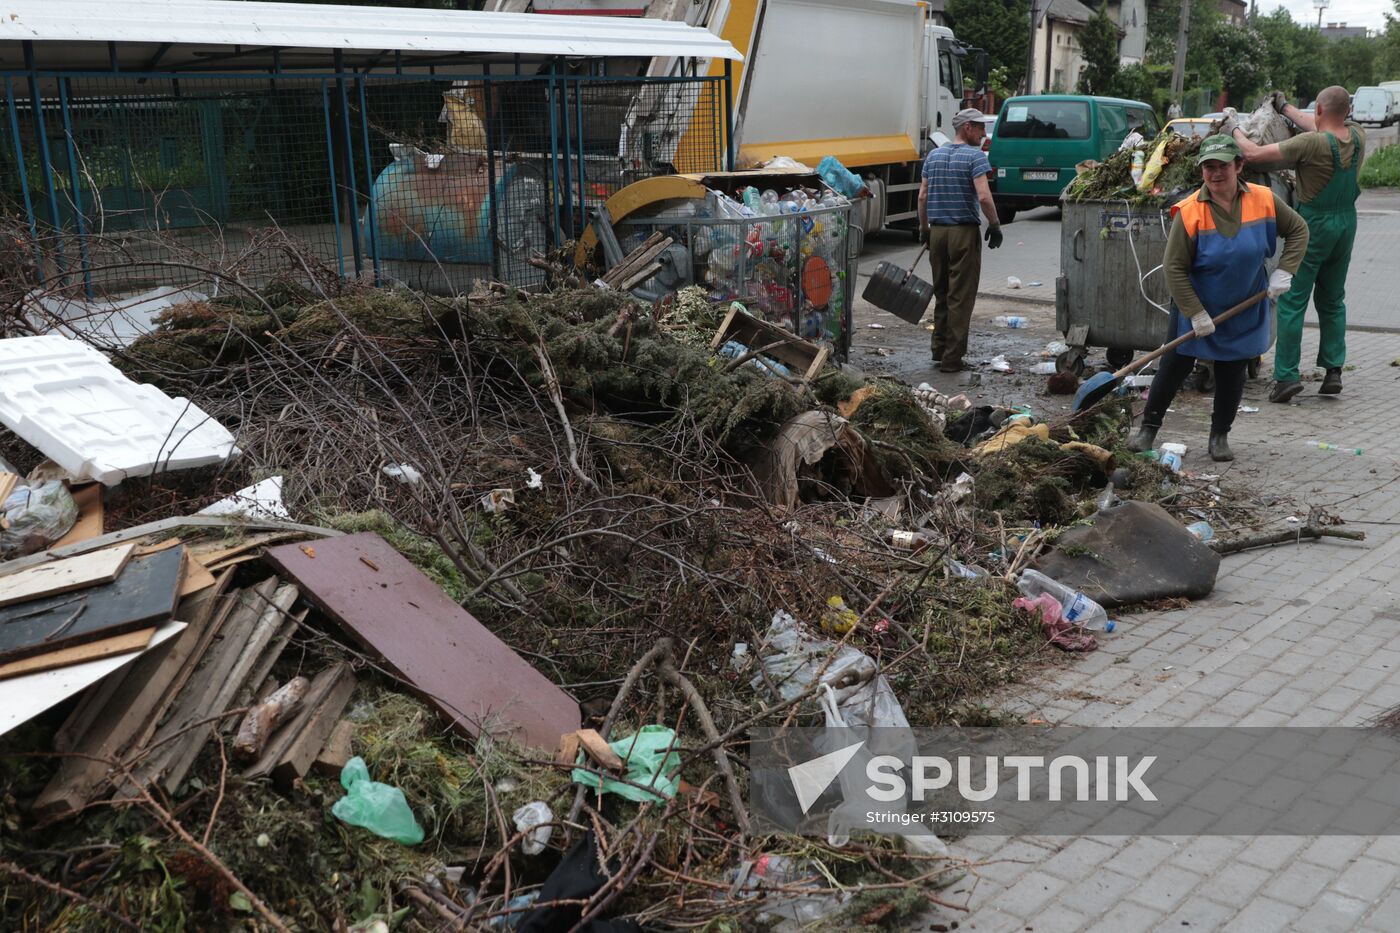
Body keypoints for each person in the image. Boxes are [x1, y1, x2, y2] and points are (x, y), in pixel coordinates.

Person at [1128, 135, 1308, 462]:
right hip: (1196, 305)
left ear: (1239, 166)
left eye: (1223, 166)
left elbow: (1298, 230)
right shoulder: (1190, 211)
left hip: (1243, 304)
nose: (1216, 174)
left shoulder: (1265, 200)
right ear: (1202, 172)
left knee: (1232, 370)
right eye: (1209, 167)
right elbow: (1174, 268)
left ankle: (1219, 436)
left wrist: (1285, 271)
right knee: (1173, 366)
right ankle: (1147, 430)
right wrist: (1196, 313)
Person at [1227, 85, 1364, 401]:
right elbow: (1319, 123)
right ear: (1347, 112)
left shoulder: (1310, 144)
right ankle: (1333, 370)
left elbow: (1253, 155)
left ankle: (1287, 377)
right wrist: (1286, 108)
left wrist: (1232, 126)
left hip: (1313, 226)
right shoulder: (1357, 135)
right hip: (1346, 225)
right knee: (1332, 299)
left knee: (1291, 300)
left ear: (1319, 110)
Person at [916, 108, 1002, 373]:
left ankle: (939, 349)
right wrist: (996, 225)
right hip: (963, 233)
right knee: (960, 296)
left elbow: (922, 196)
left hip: (938, 232)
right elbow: (984, 197)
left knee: (941, 292)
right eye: (980, 128)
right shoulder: (974, 157)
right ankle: (952, 360)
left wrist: (924, 228)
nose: (983, 134)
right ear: (967, 128)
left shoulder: (934, 156)